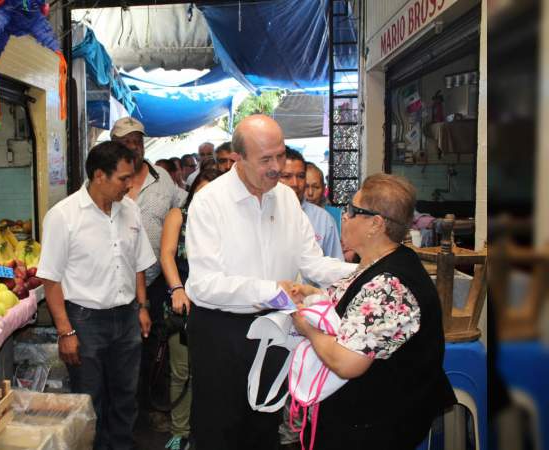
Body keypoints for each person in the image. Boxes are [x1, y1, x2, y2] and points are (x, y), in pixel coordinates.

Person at [184, 115, 356, 450]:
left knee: (264, 427)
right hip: (222, 332)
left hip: (275, 328)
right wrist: (273, 292)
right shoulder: (210, 202)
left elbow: (312, 261)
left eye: (280, 155)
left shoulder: (287, 200)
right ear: (238, 159)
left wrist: (368, 272)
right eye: (266, 159)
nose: (277, 167)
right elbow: (204, 284)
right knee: (218, 430)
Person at [289, 173, 456, 450]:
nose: (344, 216)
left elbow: (346, 362)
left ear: (375, 224)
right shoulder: (380, 263)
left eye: (353, 211)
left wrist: (308, 328)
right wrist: (308, 293)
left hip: (375, 426)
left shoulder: (391, 284)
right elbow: (353, 307)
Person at [37, 141, 156, 450]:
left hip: (127, 317)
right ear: (99, 175)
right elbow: (51, 279)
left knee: (126, 396)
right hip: (85, 320)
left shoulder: (129, 210)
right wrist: (66, 331)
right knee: (90, 401)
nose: (130, 186)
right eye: (124, 178)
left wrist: (142, 307)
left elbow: (139, 264)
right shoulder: (63, 216)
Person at [110, 116, 184, 430]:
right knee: (121, 351)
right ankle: (123, 415)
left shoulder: (162, 178)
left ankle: (147, 410)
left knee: (153, 347)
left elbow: (184, 208)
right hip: (115, 282)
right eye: (127, 142)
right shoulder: (105, 180)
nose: (134, 147)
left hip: (154, 281)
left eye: (138, 140)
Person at [159, 167, 221, 450]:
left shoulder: (226, 223)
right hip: (182, 304)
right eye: (201, 193)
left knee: (212, 373)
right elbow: (167, 255)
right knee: (182, 372)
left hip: (217, 307)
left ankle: (208, 430)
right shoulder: (177, 216)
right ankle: (180, 433)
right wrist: (178, 289)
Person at [279, 149, 343, 261]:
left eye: (301, 176)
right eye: (287, 176)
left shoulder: (324, 220)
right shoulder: (263, 213)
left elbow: (336, 265)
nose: (295, 183)